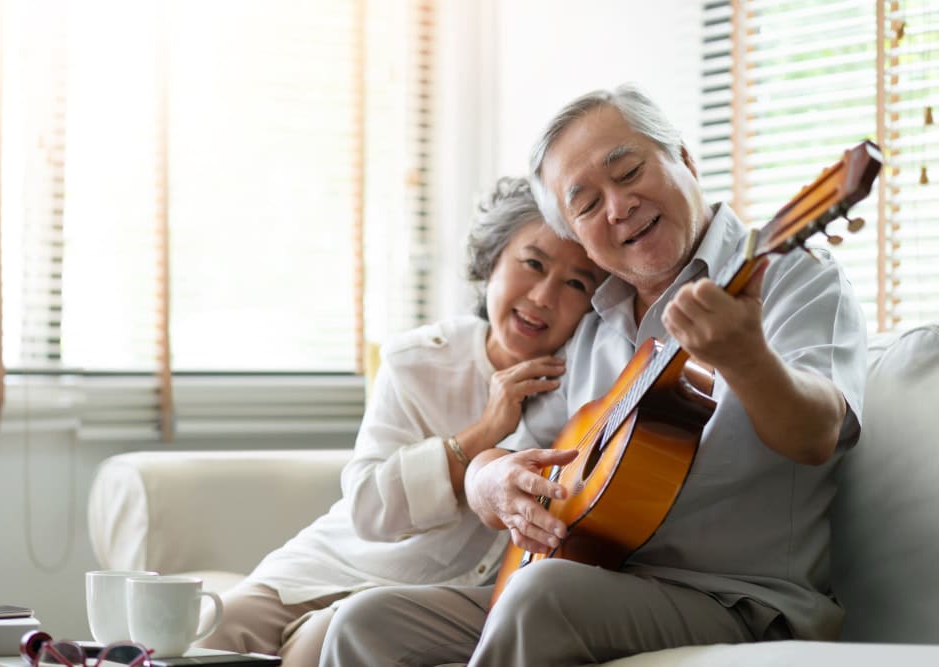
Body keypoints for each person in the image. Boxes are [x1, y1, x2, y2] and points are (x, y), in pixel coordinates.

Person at [319, 84, 867, 666]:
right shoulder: (594, 324)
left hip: (740, 601)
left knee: (541, 596)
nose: (618, 206)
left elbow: (817, 436)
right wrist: (488, 480)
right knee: (367, 622)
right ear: (580, 236)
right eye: (585, 204)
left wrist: (746, 357)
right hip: (586, 577)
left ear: (683, 157)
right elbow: (518, 453)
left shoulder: (788, 277)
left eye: (628, 172)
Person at [195, 176, 607, 665]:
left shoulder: (586, 386)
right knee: (215, 627)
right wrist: (484, 432)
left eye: (576, 283)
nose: (542, 296)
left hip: (424, 598)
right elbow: (369, 508)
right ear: (493, 259)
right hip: (333, 561)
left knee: (319, 644)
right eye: (532, 263)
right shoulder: (419, 360)